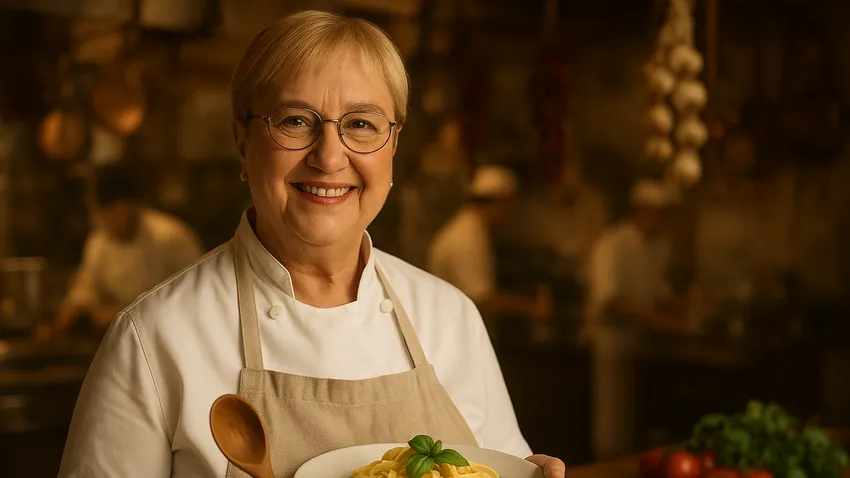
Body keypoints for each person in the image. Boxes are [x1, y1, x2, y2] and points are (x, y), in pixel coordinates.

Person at [59, 11, 565, 478]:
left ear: (393, 146)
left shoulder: (449, 318)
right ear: (242, 142)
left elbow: (500, 466)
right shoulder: (154, 337)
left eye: (361, 124)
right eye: (295, 121)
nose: (329, 157)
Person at [39, 163, 203, 338]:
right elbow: (85, 291)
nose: (97, 219)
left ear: (127, 207)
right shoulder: (99, 241)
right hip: (120, 338)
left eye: (103, 212)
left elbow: (195, 298)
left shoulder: (171, 237)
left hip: (170, 336)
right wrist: (64, 319)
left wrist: (122, 313)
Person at [585, 179, 686, 460]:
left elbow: (657, 291)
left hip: (643, 343)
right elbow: (607, 299)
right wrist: (651, 316)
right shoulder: (612, 244)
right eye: (658, 213)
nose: (662, 221)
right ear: (641, 210)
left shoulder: (658, 245)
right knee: (613, 419)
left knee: (636, 420)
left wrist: (684, 303)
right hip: (613, 342)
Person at [427, 164, 550, 321]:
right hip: (451, 323)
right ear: (499, 204)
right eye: (510, 204)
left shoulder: (474, 227)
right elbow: (483, 300)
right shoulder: (467, 238)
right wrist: (532, 308)